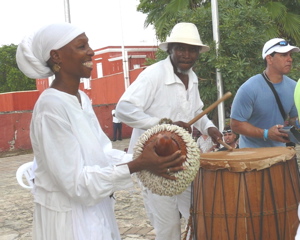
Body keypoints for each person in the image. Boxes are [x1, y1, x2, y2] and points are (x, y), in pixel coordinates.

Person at [16, 22, 185, 240]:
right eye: (81, 46)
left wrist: (143, 159)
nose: (91, 51)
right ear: (56, 56)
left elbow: (102, 153)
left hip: (95, 211)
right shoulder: (51, 106)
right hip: (69, 222)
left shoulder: (81, 98)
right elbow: (75, 184)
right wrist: (138, 164)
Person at [115, 22, 223, 240]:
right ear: (170, 50)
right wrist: (164, 124)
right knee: (168, 228)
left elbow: (197, 111)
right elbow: (123, 109)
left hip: (183, 162)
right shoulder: (153, 75)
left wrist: (210, 128)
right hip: (154, 163)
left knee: (199, 216)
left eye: (191, 49)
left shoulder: (191, 78)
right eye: (180, 48)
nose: (186, 54)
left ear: (197, 54)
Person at [231, 38, 299, 148]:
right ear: (269, 59)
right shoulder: (249, 88)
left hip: (279, 155)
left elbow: (293, 117)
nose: (290, 59)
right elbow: (236, 125)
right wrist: (266, 133)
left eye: (290, 55)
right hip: (252, 157)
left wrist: (296, 122)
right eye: (283, 55)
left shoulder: (294, 87)